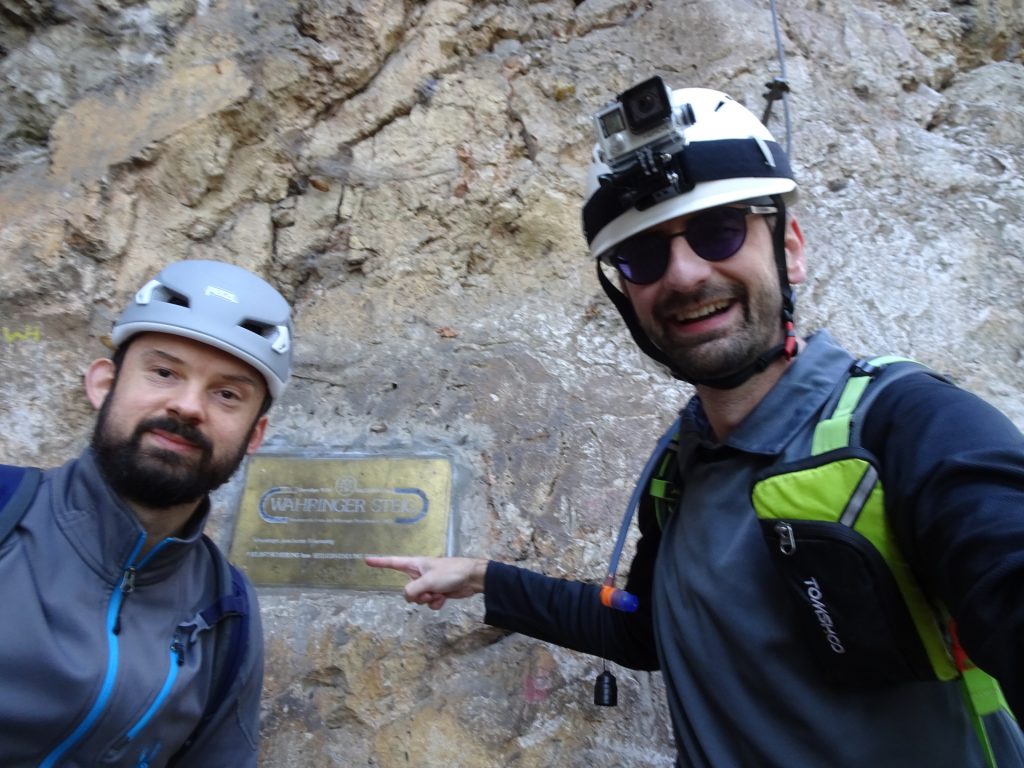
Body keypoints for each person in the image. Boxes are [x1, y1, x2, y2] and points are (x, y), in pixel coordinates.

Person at [368, 77, 1024, 766]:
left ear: (789, 247)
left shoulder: (910, 425)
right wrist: (481, 578)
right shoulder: (682, 467)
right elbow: (645, 629)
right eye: (644, 255)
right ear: (627, 294)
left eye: (719, 230)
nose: (682, 275)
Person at [0, 259, 293, 767]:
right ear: (102, 383)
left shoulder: (228, 613)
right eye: (164, 372)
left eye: (226, 394)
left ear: (255, 436)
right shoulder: (8, 512)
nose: (188, 406)